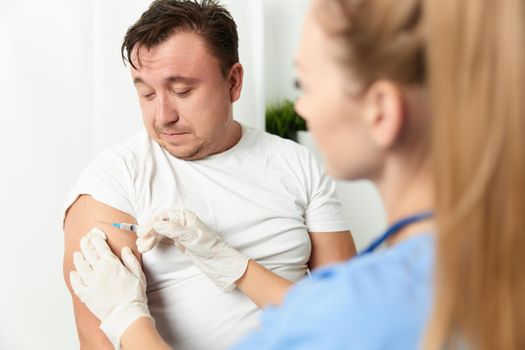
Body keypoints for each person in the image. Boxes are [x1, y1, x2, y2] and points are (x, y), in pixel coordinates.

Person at [69, 0, 525, 349]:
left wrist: (129, 319)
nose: (300, 108)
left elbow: (337, 311)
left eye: (304, 85)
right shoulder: (463, 260)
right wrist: (239, 266)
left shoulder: (365, 302)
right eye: (145, 92)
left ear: (233, 82)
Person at [62, 0, 355, 349]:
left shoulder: (296, 164)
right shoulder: (113, 183)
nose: (162, 116)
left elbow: (349, 319)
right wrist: (124, 315)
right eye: (146, 93)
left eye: (181, 90)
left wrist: (233, 264)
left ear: (233, 82)